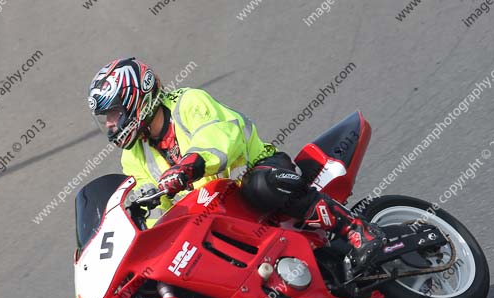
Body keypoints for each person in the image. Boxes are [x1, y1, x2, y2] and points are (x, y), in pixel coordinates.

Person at [87, 57, 384, 269]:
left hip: (254, 171)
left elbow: (220, 138)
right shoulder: (133, 156)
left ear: (137, 99)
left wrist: (190, 164)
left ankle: (356, 229)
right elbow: (154, 206)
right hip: (212, 209)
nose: (111, 126)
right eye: (107, 120)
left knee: (261, 186)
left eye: (113, 114)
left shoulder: (188, 102)